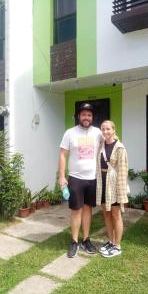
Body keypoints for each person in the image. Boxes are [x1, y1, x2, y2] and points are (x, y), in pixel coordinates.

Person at [58, 103, 102, 258]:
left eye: (89, 115)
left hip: (92, 178)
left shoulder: (98, 132)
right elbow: (63, 154)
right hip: (76, 178)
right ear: (78, 116)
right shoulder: (70, 133)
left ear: (92, 117)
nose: (86, 117)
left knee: (88, 209)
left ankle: (86, 239)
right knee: (76, 210)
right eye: (83, 115)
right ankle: (74, 241)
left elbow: (109, 141)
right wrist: (62, 176)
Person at [96, 120, 128, 258]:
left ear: (113, 130)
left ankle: (117, 245)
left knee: (116, 214)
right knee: (106, 214)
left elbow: (123, 171)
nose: (105, 132)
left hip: (114, 184)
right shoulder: (101, 145)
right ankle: (110, 241)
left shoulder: (120, 148)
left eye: (108, 129)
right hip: (102, 183)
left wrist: (121, 192)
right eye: (103, 129)